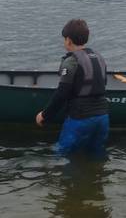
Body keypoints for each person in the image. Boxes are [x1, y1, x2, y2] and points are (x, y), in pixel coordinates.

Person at [35, 19, 110, 158]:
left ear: (68, 40)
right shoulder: (99, 57)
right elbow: (102, 83)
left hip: (80, 119)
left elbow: (61, 94)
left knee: (63, 157)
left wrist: (45, 115)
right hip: (102, 118)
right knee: (96, 157)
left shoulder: (71, 62)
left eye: (64, 39)